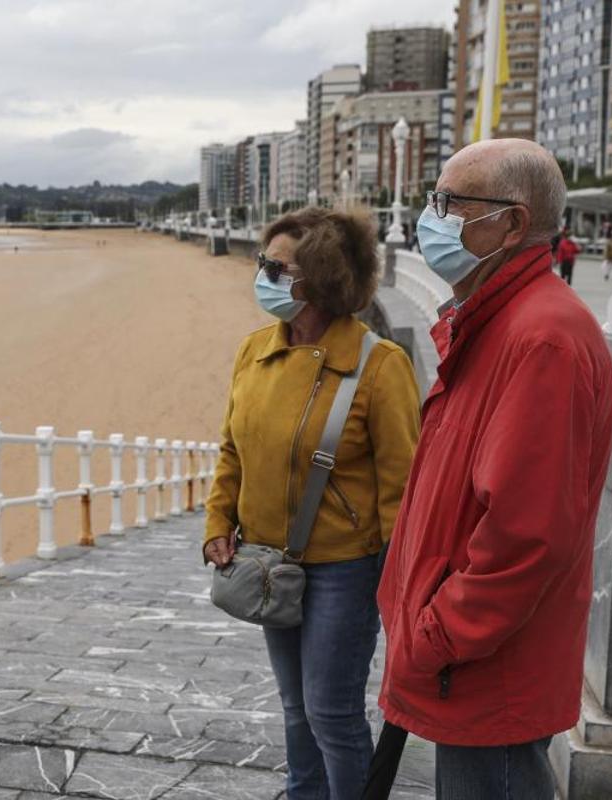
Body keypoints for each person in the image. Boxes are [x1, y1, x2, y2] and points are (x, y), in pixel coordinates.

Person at [377, 139, 612, 799]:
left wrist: (437, 635)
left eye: (450, 203)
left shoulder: (542, 339)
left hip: (487, 667)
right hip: (467, 662)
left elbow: (525, 534)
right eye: (434, 200)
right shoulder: (495, 322)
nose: (432, 218)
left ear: (512, 223)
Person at [204, 207, 421, 800]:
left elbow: (402, 485)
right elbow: (233, 450)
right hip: (267, 562)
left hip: (345, 567)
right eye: (263, 262)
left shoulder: (380, 365)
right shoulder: (254, 352)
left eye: (277, 268)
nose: (263, 275)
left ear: (322, 278)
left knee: (331, 711)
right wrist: (218, 521)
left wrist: (401, 585)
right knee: (296, 707)